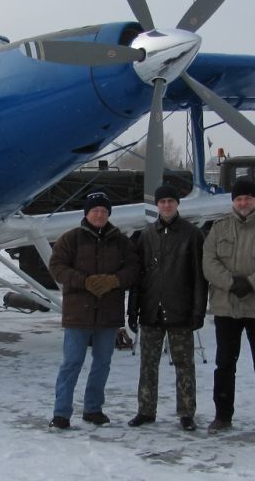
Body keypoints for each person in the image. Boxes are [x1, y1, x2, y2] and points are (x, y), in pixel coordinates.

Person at [202, 177, 255, 436]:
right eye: (238, 198)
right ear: (233, 202)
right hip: (226, 307)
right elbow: (209, 261)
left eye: (248, 198)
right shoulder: (218, 229)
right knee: (225, 364)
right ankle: (222, 416)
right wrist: (231, 284)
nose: (243, 202)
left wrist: (251, 284)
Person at [48, 191, 138, 429]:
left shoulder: (120, 241)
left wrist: (114, 281)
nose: (99, 214)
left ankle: (93, 408)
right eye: (95, 210)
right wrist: (84, 281)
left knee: (102, 363)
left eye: (103, 211)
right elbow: (56, 267)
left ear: (109, 214)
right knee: (72, 362)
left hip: (108, 314)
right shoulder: (71, 239)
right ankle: (61, 413)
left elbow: (134, 268)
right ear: (86, 213)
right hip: (78, 313)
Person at [127, 184, 207, 431]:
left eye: (171, 201)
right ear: (157, 205)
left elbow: (199, 277)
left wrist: (198, 310)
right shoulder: (147, 235)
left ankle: (186, 412)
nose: (167, 206)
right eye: (162, 202)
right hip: (151, 310)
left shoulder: (192, 234)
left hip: (180, 310)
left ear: (177, 204)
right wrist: (133, 309)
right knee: (148, 364)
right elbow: (138, 276)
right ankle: (146, 410)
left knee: (184, 364)